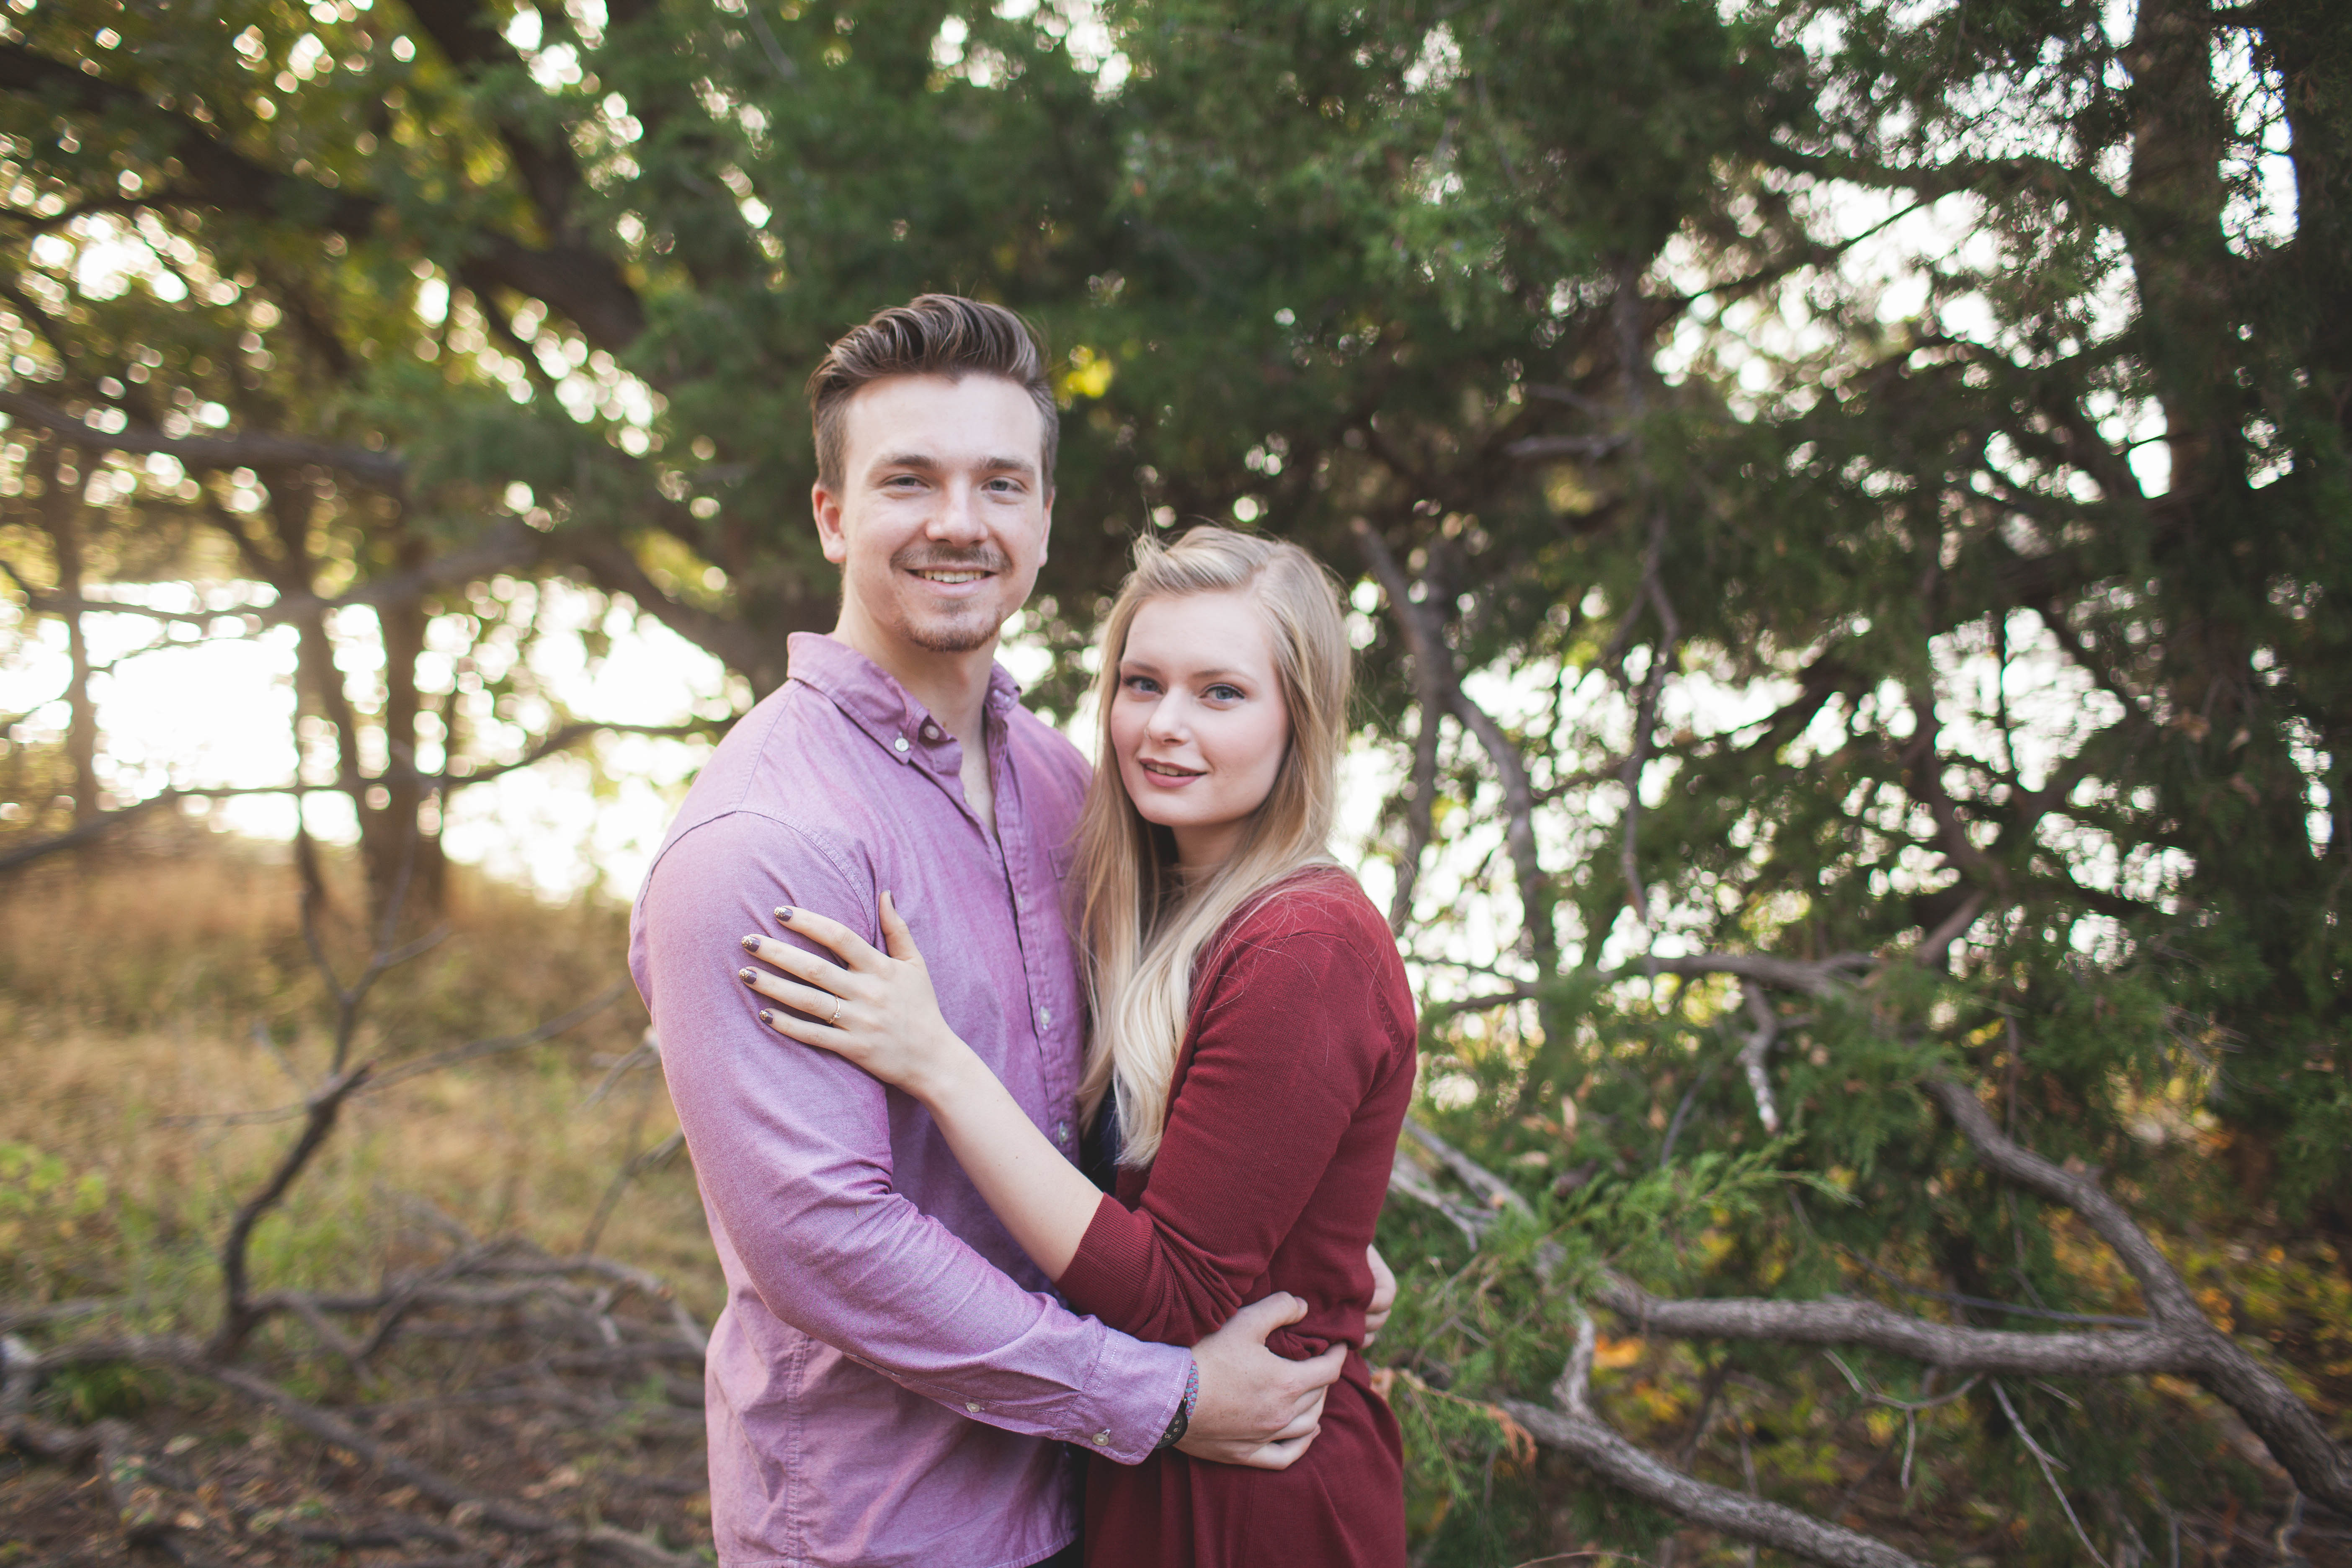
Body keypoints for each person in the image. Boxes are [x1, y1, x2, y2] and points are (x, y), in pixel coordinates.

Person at [629, 296, 1378, 1568]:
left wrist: (1326, 1258)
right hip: (892, 1525)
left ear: (1042, 520)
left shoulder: (1065, 787)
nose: (958, 522)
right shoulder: (768, 842)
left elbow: (1177, 1104)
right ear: (831, 515)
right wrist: (1163, 1398)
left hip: (1095, 1501)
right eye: (907, 480)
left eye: (1000, 483)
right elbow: (827, 1244)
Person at [737, 526, 1416, 1567]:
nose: (1165, 727)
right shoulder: (1165, 911)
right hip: (1155, 1472)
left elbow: (1172, 1295)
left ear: (1301, 719)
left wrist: (936, 1061)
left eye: (1222, 693)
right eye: (1142, 683)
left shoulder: (1302, 944)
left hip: (1256, 1501)